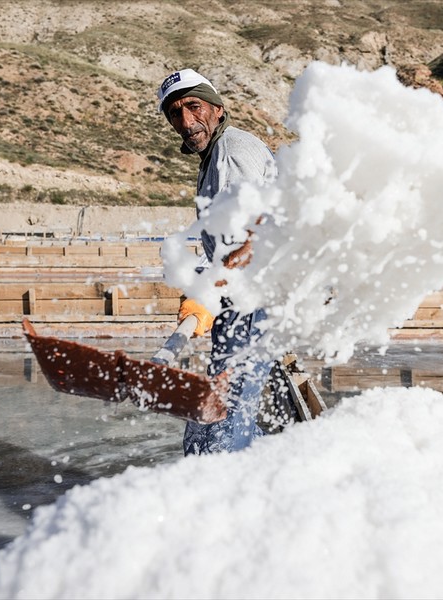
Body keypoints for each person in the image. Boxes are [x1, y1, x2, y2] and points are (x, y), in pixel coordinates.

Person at [157, 68, 277, 455]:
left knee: (229, 406)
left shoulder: (231, 152)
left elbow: (249, 237)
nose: (187, 122)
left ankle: (228, 488)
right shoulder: (214, 157)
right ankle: (232, 470)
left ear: (218, 109)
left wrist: (208, 290)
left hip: (253, 296)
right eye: (175, 114)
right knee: (216, 407)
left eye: (194, 107)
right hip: (239, 294)